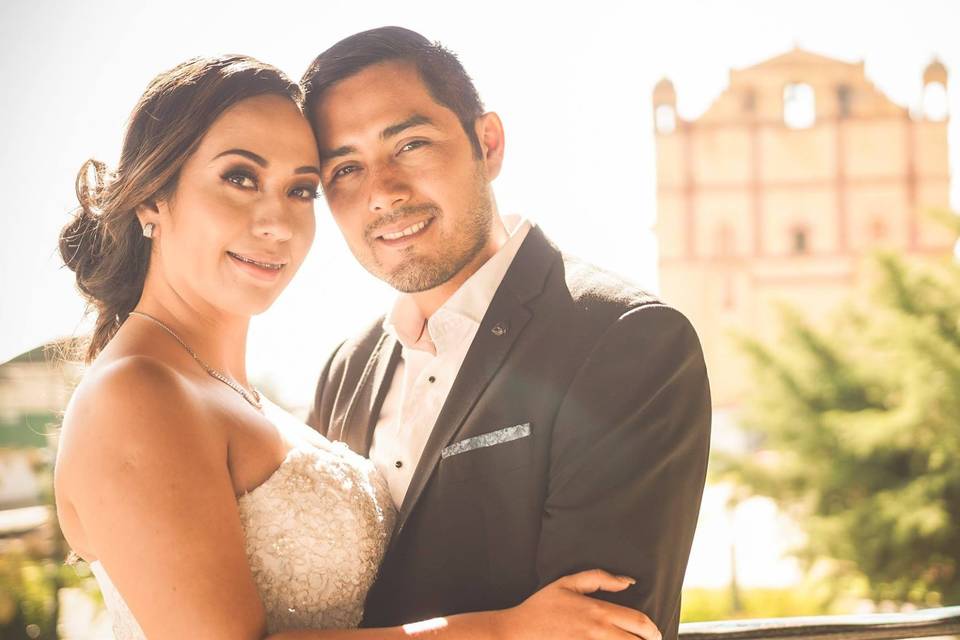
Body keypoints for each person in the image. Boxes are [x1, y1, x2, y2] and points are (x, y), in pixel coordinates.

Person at [53, 54, 662, 640]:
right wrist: (502, 631)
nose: (277, 221)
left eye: (302, 189)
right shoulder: (134, 392)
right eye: (240, 178)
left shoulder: (233, 393)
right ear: (152, 200)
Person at [303, 26, 712, 640]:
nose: (382, 192)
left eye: (410, 144)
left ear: (487, 144)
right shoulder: (346, 367)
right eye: (346, 169)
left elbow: (600, 633)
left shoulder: (627, 339)